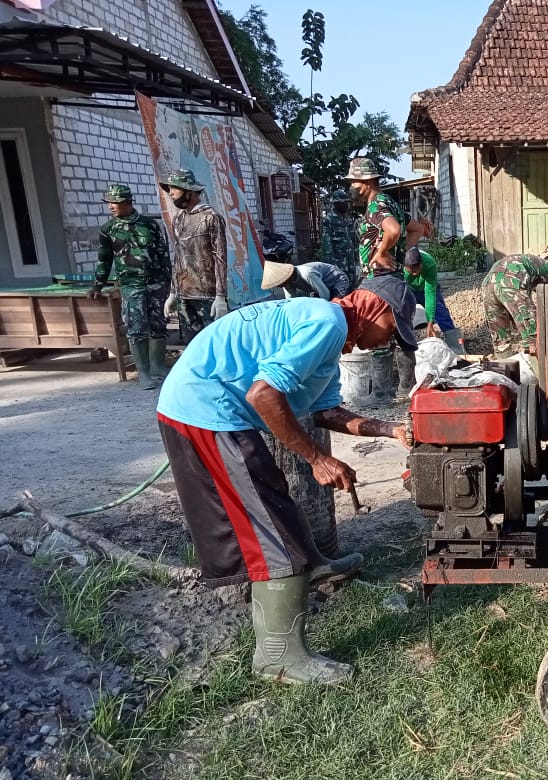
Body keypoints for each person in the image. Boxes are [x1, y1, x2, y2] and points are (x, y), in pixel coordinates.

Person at [156, 284, 416, 685]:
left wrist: (389, 429)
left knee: (273, 502)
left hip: (216, 409)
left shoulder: (327, 337)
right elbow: (263, 395)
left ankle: (314, 567)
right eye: (392, 329)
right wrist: (318, 459)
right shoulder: (327, 323)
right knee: (268, 534)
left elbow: (326, 412)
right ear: (372, 306)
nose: (388, 342)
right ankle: (278, 659)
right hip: (205, 411)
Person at [90, 184, 172, 389]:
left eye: (115, 202)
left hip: (156, 283)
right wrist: (98, 285)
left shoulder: (150, 225)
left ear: (127, 202)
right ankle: (144, 373)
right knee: (136, 328)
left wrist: (170, 283)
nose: (111, 206)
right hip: (131, 285)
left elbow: (163, 254)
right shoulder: (108, 229)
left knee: (159, 325)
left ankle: (158, 367)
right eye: (109, 202)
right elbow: (104, 259)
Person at [160, 169, 229, 342]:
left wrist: (220, 296)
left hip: (207, 295)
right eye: (169, 189)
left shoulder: (211, 217)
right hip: (185, 295)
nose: (171, 193)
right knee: (192, 345)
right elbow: (178, 257)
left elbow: (220, 258)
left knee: (213, 343)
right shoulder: (178, 219)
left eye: (175, 188)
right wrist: (173, 293)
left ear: (189, 192)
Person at [346, 157, 424, 278]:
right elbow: (417, 229)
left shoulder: (376, 205)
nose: (352, 186)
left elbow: (394, 230)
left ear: (367, 182)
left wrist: (381, 252)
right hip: (392, 276)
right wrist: (404, 255)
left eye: (354, 181)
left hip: (379, 277)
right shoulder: (388, 202)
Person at [482, 253, 548, 355]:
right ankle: (536, 362)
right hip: (510, 279)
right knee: (532, 328)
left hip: (488, 283)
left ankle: (506, 364)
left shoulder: (533, 263)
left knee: (500, 337)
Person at [359, 274, 420, 398]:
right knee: (400, 340)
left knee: (383, 344)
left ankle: (381, 394)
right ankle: (403, 390)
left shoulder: (364, 296)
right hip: (398, 294)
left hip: (390, 296)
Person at [403, 246, 464, 354]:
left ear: (421, 263)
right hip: (408, 289)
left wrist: (430, 322)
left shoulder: (429, 263)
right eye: (411, 272)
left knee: (441, 313)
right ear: (405, 266)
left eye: (417, 270)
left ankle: (458, 351)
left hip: (428, 287)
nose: (415, 274)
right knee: (404, 315)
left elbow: (430, 294)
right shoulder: (399, 268)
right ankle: (409, 352)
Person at [320, 188, 360, 290]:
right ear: (336, 204)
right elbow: (327, 244)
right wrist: (332, 266)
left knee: (353, 287)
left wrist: (357, 260)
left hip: (350, 262)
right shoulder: (329, 220)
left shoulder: (348, 219)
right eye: (343, 203)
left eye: (346, 203)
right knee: (340, 288)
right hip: (338, 263)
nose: (346, 205)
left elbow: (354, 240)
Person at [261, 261, 354, 301]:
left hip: (337, 280)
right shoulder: (287, 284)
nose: (280, 287)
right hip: (321, 286)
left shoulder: (307, 273)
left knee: (338, 304)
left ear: (284, 278)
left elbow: (325, 295)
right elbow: (291, 301)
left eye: (279, 284)